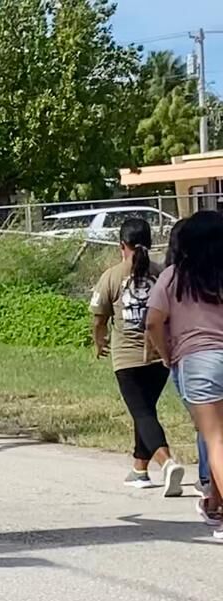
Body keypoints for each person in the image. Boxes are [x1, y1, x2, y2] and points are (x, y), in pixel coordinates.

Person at [91, 217, 184, 497]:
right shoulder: (163, 273)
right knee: (145, 412)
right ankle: (139, 469)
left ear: (122, 245)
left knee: (142, 413)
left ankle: (167, 463)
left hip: (127, 360)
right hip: (160, 358)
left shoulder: (112, 276)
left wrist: (99, 340)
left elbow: (98, 316)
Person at [147, 210, 223, 535]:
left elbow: (152, 321)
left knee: (216, 439)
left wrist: (166, 354)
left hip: (199, 360)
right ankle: (213, 504)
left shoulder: (174, 275)